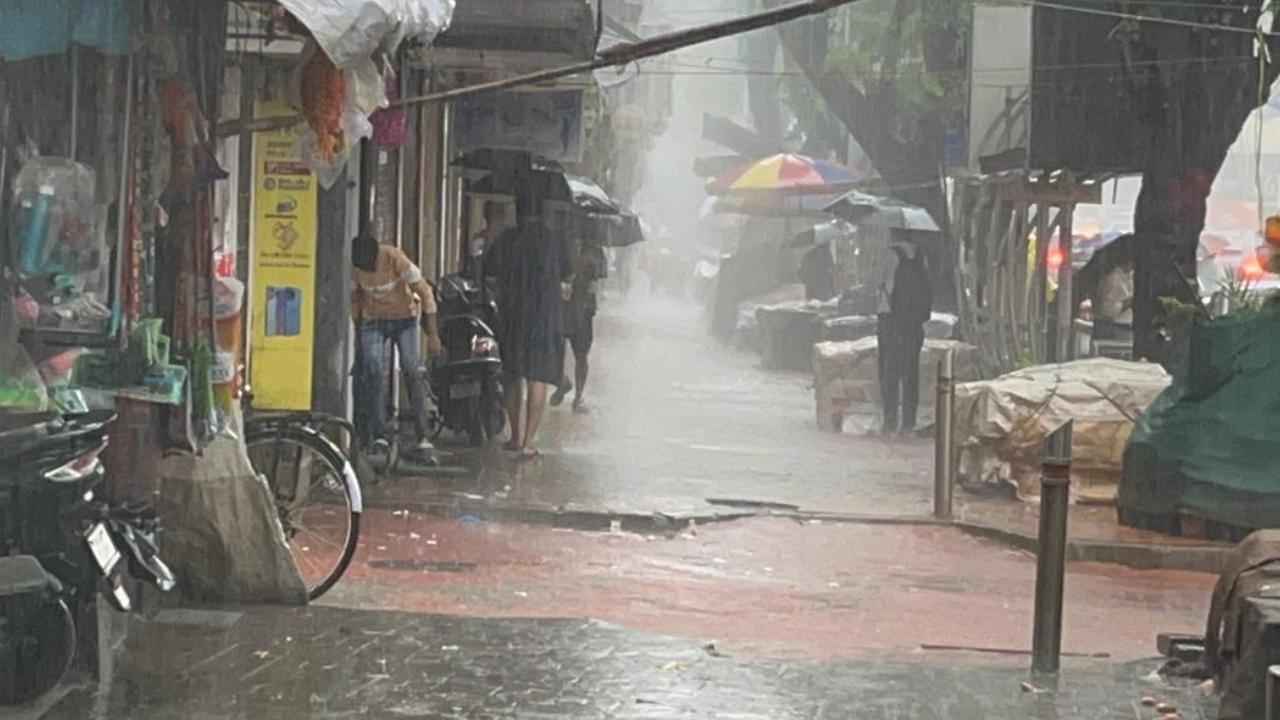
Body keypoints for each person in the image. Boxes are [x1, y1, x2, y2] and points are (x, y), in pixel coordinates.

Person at [485, 180, 572, 459]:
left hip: (512, 316)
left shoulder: (507, 239)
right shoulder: (555, 240)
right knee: (538, 379)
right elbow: (568, 274)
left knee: (513, 375)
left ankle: (515, 435)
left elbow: (488, 269)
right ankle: (529, 442)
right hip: (545, 317)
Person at [350, 234, 442, 456]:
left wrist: (433, 335)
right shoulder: (355, 268)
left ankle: (422, 435)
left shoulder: (394, 258)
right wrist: (358, 333)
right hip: (373, 322)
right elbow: (356, 299)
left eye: (371, 267)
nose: (369, 273)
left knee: (412, 369)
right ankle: (379, 433)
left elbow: (425, 293)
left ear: (377, 256)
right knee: (372, 370)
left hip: (404, 320)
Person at [875, 229, 932, 436]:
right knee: (911, 371)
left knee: (889, 371)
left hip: (890, 320)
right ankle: (908, 422)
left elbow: (876, 283)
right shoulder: (920, 257)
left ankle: (889, 421)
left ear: (893, 234)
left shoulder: (889, 255)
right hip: (914, 324)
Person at [552, 233, 607, 413]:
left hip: (582, 307)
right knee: (553, 348)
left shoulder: (594, 248)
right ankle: (561, 381)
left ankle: (578, 395)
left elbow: (601, 273)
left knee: (581, 353)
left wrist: (584, 264)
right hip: (560, 305)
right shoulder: (559, 242)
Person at [1092, 250, 1135, 342]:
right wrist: (1132, 300)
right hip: (1115, 329)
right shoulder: (1114, 278)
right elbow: (1109, 309)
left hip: (1124, 328)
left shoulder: (1130, 276)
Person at [465, 201, 506, 283]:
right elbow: (475, 266)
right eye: (495, 215)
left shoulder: (509, 242)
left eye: (499, 214)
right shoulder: (479, 240)